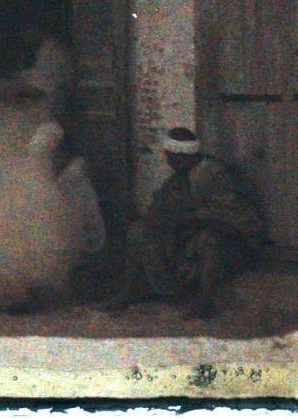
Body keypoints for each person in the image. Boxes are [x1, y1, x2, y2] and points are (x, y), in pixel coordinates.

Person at [106, 126, 266, 318]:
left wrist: (191, 218)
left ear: (180, 156)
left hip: (230, 242)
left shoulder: (212, 174)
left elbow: (236, 219)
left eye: (170, 157)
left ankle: (204, 303)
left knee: (208, 241)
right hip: (186, 235)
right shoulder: (180, 177)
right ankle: (128, 292)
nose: (168, 161)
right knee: (138, 231)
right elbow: (161, 210)